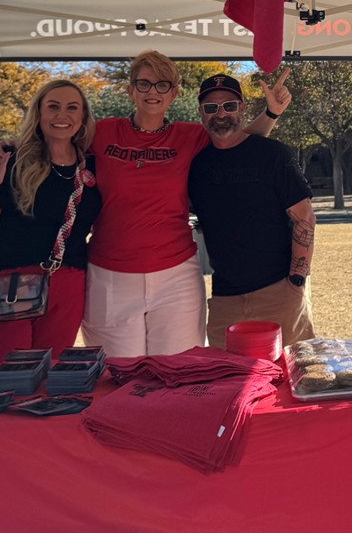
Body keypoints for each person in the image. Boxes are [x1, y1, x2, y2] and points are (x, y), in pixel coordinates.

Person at [81, 51, 292, 356]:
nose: (153, 92)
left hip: (175, 277)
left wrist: (271, 114)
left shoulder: (189, 136)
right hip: (110, 275)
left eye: (162, 84)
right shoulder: (100, 133)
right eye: (144, 84)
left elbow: (239, 146)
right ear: (130, 91)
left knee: (177, 374)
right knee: (118, 378)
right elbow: (56, 145)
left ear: (175, 93)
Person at [0, 79, 102, 366]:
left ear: (83, 117)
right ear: (38, 114)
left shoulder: (92, 166)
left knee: (49, 381)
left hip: (69, 283)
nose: (62, 115)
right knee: (11, 380)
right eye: (53, 107)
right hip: (11, 284)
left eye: (72, 108)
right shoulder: (11, 161)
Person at [188, 74, 315, 349]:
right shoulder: (196, 166)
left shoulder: (273, 155)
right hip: (224, 301)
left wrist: (296, 281)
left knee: (291, 377)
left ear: (242, 108)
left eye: (229, 106)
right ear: (201, 113)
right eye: (211, 108)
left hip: (278, 292)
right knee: (227, 384)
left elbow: (304, 215)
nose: (221, 114)